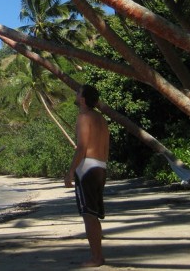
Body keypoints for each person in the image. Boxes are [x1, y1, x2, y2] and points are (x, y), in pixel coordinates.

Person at [65, 84, 110, 267]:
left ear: (83, 99)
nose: (75, 95)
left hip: (87, 168)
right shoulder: (101, 118)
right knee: (93, 214)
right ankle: (98, 255)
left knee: (88, 215)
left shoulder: (84, 117)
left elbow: (82, 147)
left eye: (78, 93)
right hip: (100, 166)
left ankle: (96, 258)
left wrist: (70, 172)